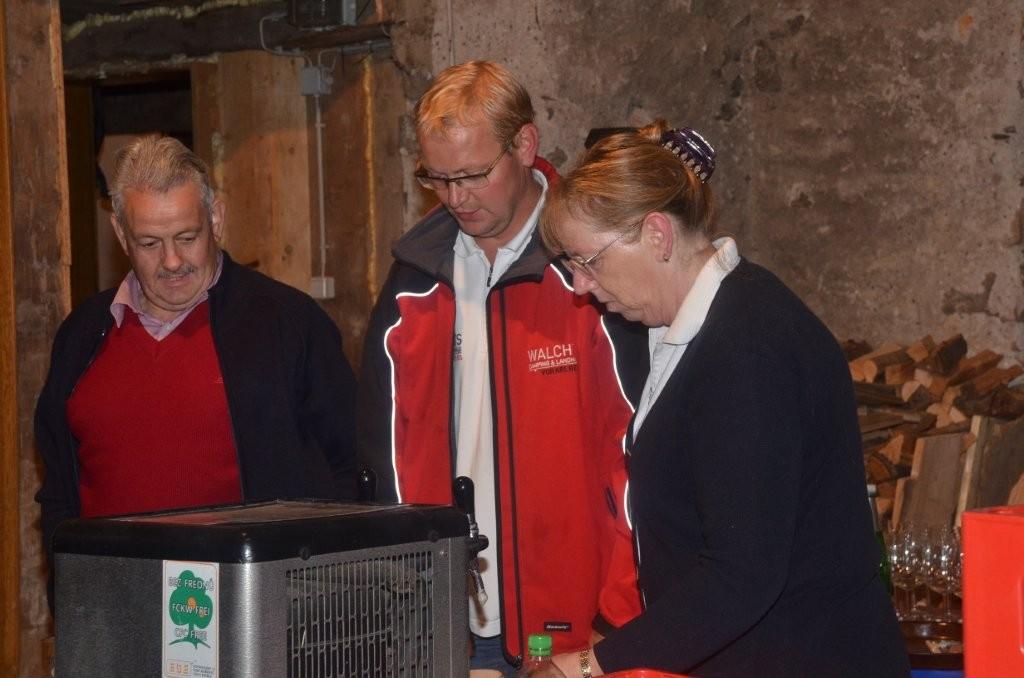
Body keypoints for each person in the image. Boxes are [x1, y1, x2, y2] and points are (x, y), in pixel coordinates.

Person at [533, 123, 910, 677]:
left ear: (657, 235)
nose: (580, 285)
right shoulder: (690, 327)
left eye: (587, 261)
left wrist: (588, 667)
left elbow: (740, 575)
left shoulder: (746, 347)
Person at [357, 61, 645, 674]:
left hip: (575, 625)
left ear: (525, 145)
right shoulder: (412, 281)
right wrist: (403, 597)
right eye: (437, 178)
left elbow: (639, 459)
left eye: (473, 175)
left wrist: (616, 619)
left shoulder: (590, 271)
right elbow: (383, 458)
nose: (456, 198)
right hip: (440, 621)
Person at [35, 135, 358, 604]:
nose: (172, 261)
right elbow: (58, 490)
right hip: (110, 614)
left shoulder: (287, 324)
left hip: (256, 613)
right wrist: (67, 598)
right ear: (121, 234)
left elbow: (349, 471)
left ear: (216, 219)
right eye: (149, 243)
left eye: (187, 238)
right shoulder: (82, 335)